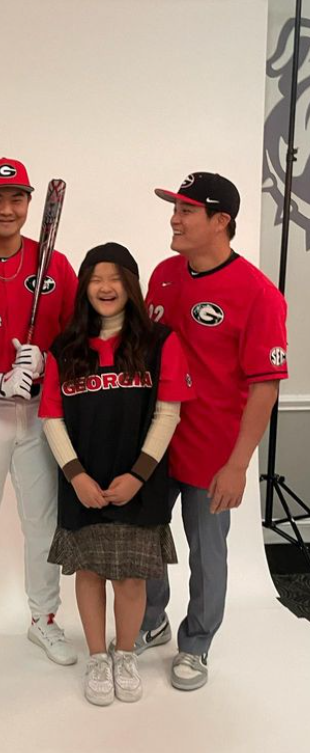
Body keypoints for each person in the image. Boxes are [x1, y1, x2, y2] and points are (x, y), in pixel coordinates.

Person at [138, 172, 288, 691]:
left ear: (220, 220)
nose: (174, 219)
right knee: (147, 538)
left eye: (186, 210)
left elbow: (265, 388)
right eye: (174, 208)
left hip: (213, 451)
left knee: (207, 552)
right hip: (156, 444)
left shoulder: (258, 294)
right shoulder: (163, 274)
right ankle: (151, 619)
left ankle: (196, 643)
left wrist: (238, 465)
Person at [39, 242, 193, 704]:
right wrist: (76, 476)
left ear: (131, 286)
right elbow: (51, 418)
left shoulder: (160, 342)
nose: (105, 288)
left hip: (137, 483)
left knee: (130, 576)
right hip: (84, 483)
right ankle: (96, 657)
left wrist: (139, 476)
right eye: (95, 279)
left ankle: (124, 654)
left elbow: (168, 414)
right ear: (84, 287)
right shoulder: (64, 348)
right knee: (89, 572)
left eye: (115, 278)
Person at [0, 158, 78, 671]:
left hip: (41, 412)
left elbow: (79, 337)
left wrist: (46, 360)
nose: (7, 209)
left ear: (29, 203)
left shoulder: (55, 264)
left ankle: (44, 618)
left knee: (43, 523)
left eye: (17, 198)